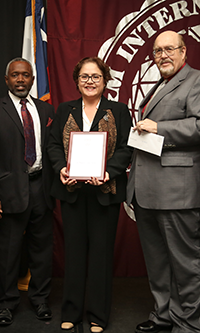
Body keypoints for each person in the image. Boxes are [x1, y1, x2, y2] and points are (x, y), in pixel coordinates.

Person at [126, 31, 200, 333]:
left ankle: (188, 325)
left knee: (185, 263)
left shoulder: (199, 80)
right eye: (157, 51)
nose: (162, 55)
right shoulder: (160, 84)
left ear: (183, 52)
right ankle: (163, 316)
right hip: (148, 191)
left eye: (169, 49)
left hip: (179, 191)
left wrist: (159, 127)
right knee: (157, 262)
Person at [47, 57, 132, 333]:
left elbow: (125, 148)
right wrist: (61, 168)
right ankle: (71, 311)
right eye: (84, 77)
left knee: (100, 255)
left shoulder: (118, 110)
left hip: (104, 193)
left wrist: (108, 172)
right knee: (73, 254)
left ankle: (97, 315)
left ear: (105, 80)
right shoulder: (64, 109)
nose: (90, 82)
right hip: (71, 191)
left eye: (95, 76)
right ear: (77, 81)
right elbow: (52, 144)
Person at [0, 58, 55, 326]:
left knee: (42, 251)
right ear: (6, 80)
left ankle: (40, 300)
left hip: (42, 189)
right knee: (8, 252)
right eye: (15, 75)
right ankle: (6, 304)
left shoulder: (46, 110)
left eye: (25, 75)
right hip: (8, 192)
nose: (20, 80)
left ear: (33, 80)